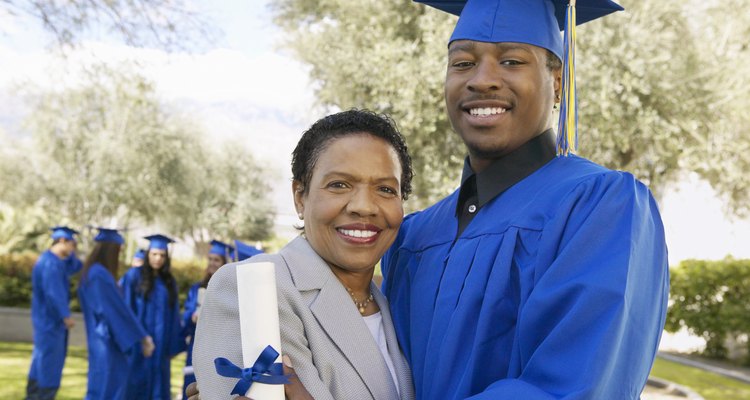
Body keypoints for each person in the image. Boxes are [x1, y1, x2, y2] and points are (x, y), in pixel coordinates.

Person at [380, 0, 670, 399]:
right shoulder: (414, 236)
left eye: (512, 61)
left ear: (557, 83)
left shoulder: (600, 207)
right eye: (462, 63)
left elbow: (570, 387)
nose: (482, 80)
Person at [192, 109, 416, 400]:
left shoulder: (395, 307)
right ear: (300, 196)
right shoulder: (254, 288)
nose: (364, 206)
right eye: (339, 185)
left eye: (386, 189)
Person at [77, 228, 155, 400]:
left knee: (101, 387)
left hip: (101, 340)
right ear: (110, 250)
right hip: (107, 342)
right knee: (107, 388)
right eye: (118, 251)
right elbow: (116, 310)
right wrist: (142, 337)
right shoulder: (99, 275)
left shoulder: (92, 272)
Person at [120, 233, 185, 400]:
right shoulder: (134, 276)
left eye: (162, 255)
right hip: (139, 345)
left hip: (161, 347)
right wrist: (136, 338)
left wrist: (173, 346)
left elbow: (173, 316)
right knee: (135, 386)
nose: (158, 258)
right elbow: (126, 309)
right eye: (154, 254)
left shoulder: (169, 282)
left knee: (158, 388)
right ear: (148, 254)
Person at [26, 226, 79, 400]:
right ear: (62, 241)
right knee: (50, 364)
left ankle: (32, 396)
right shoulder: (51, 264)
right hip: (51, 323)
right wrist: (66, 316)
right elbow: (54, 293)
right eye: (72, 244)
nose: (73, 249)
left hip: (45, 322)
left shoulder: (53, 261)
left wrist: (71, 253)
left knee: (40, 362)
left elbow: (76, 266)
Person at [180, 239, 234, 398]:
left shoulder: (229, 288)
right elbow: (187, 313)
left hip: (219, 346)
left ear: (224, 262)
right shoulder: (197, 287)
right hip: (197, 343)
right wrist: (192, 316)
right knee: (191, 386)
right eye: (210, 259)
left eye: (216, 260)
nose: (212, 263)